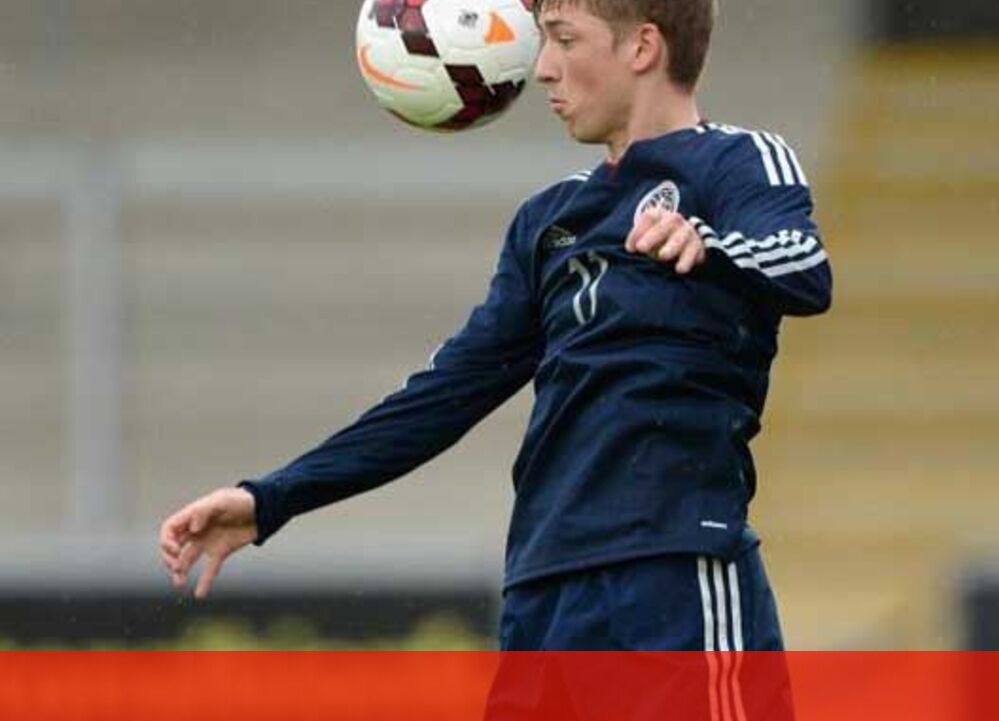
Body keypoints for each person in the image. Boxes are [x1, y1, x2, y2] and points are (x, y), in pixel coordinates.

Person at [159, 0, 831, 657]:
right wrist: (273, 497)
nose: (542, 68)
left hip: (675, 571)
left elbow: (803, 266)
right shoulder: (550, 219)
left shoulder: (738, 161)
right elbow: (444, 394)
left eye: (564, 38)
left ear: (642, 47)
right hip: (544, 589)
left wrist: (709, 246)